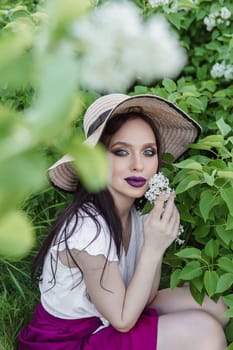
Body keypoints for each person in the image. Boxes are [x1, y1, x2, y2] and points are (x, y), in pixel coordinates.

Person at [18, 93, 228, 350]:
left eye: (148, 152)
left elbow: (146, 297)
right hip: (73, 340)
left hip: (116, 313)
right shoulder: (87, 230)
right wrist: (154, 247)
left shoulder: (136, 214)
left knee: (217, 307)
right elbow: (123, 321)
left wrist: (155, 241)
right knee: (205, 333)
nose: (138, 165)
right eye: (121, 152)